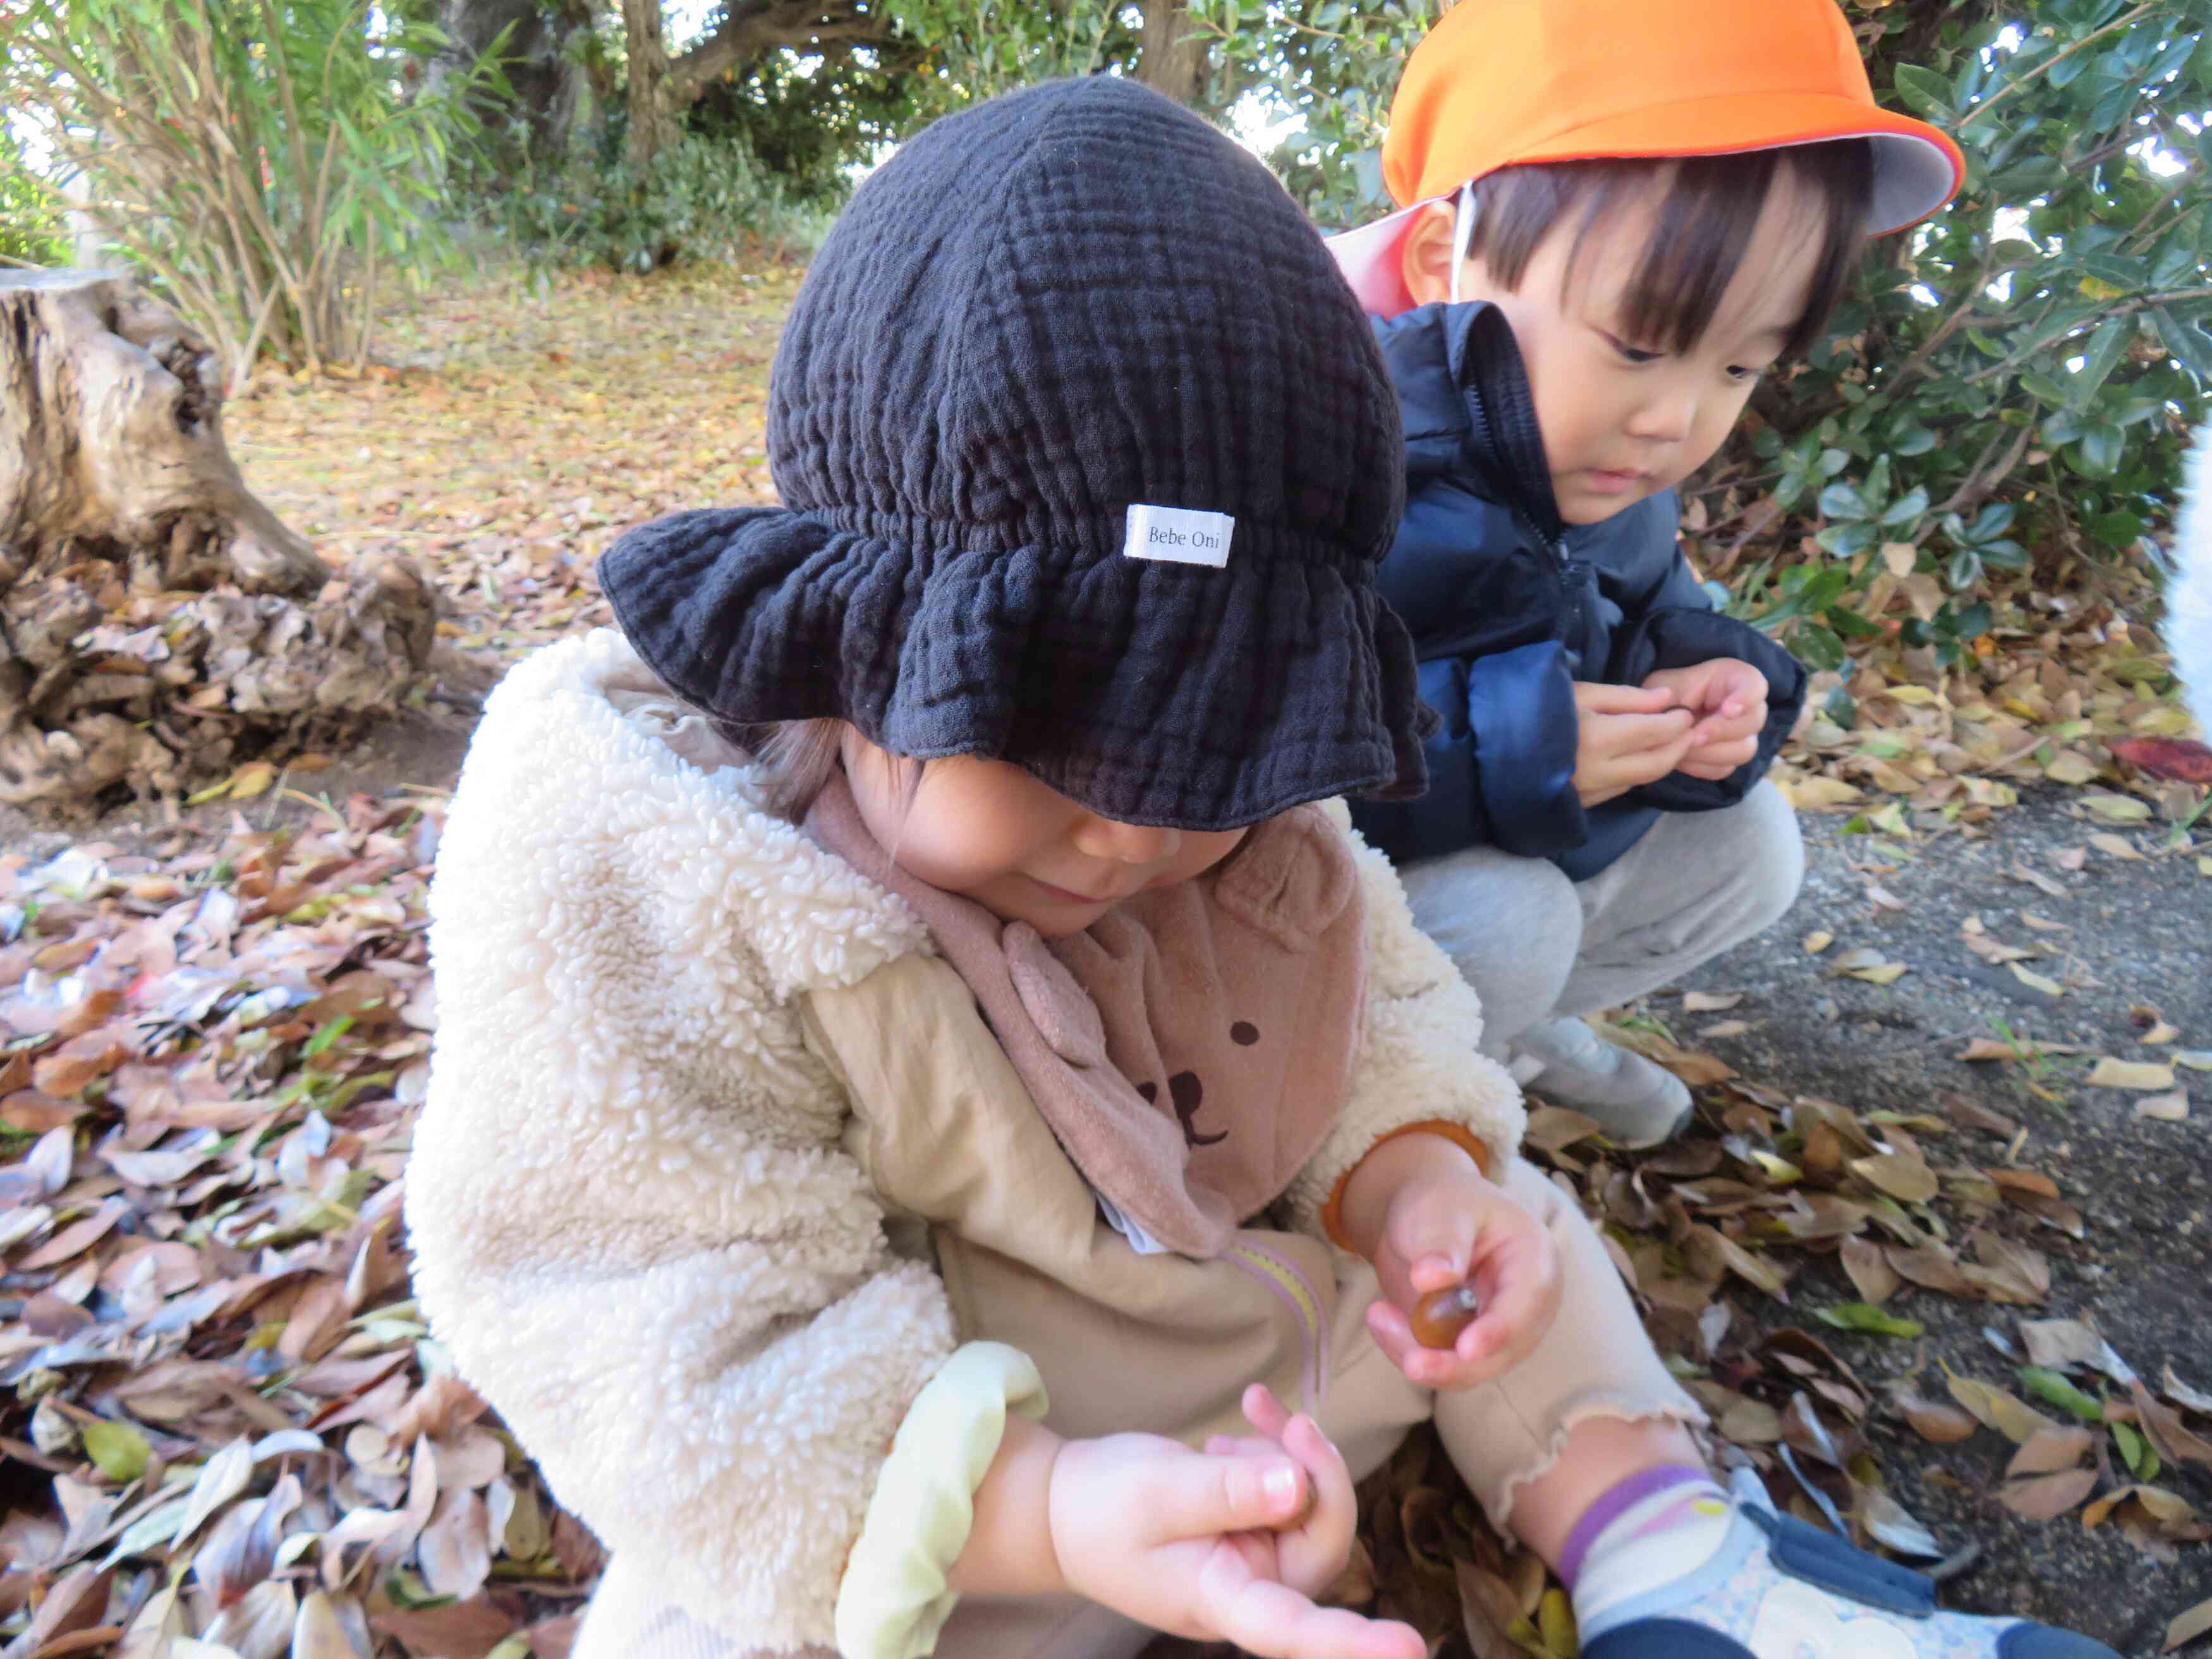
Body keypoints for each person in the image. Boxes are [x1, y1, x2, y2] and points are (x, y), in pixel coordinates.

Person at [405, 75, 2117, 1659]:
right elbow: (640, 1308)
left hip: (1256, 1353)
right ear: (854, 647)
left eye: (1209, 743)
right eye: (1062, 735)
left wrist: (1411, 1185)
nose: (1142, 826)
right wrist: (1043, 1507)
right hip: (949, 1453)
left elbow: (1380, 1006)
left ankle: (1672, 1552)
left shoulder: (1259, 814)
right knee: (710, 1614)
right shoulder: (665, 859)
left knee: (1496, 1233)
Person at [1328, 0, 1969, 1147]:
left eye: (1739, 363)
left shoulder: (1616, 464)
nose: (1680, 418)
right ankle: (1336, 1122)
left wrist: (1711, 684)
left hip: (1500, 850)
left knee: (1754, 848)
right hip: (1312, 909)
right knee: (1513, 923)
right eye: (1636, 342)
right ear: (1442, 264)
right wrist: (1517, 745)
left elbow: (1658, 607)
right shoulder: (1329, 457)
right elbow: (1253, 741)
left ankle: (1493, 1028)